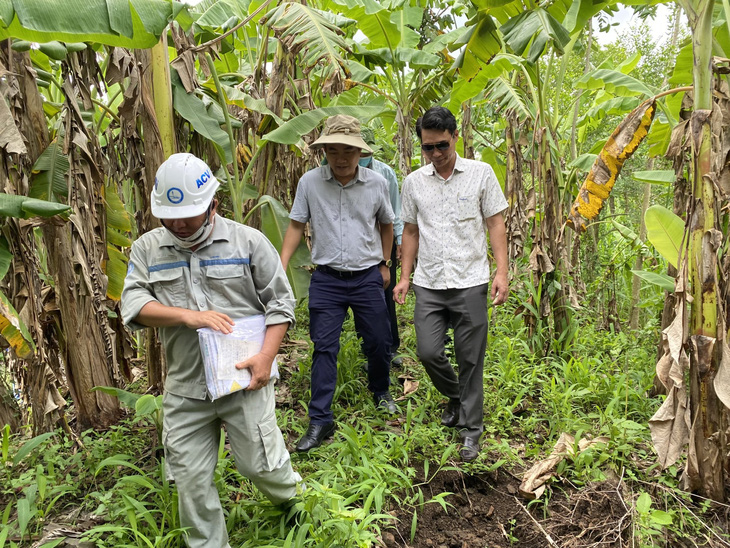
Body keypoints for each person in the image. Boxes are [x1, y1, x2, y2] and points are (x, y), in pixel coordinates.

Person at [121, 153, 301, 548]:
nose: (179, 225)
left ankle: (297, 508)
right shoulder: (147, 249)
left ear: (213, 205)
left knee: (260, 465)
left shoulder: (248, 241)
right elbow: (132, 306)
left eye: (189, 215)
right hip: (186, 389)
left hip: (244, 380)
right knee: (189, 481)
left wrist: (266, 359)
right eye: (170, 217)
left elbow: (280, 304)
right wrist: (189, 316)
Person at [393, 107, 509, 462]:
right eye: (428, 148)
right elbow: (410, 231)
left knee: (470, 359)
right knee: (428, 352)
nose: (436, 154)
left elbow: (495, 223)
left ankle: (471, 431)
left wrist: (502, 272)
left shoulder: (481, 174)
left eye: (441, 145)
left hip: (470, 280)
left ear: (456, 137)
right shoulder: (413, 182)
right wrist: (405, 276)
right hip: (429, 282)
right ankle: (458, 397)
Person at [280, 114, 397, 453]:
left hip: (366, 277)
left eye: (348, 151)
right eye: (333, 151)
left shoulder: (376, 183)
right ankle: (320, 419)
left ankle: (381, 391)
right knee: (323, 347)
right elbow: (295, 225)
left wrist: (385, 263)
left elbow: (386, 224)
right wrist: (281, 264)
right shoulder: (310, 183)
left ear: (360, 152)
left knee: (378, 340)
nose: (341, 159)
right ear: (324, 152)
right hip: (327, 279)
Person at [358, 127, 404, 366]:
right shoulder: (340, 172)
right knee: (364, 298)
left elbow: (395, 211)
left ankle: (391, 347)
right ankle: (368, 347)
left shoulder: (385, 173)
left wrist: (398, 242)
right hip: (359, 247)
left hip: (383, 245)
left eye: (366, 150)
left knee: (386, 296)